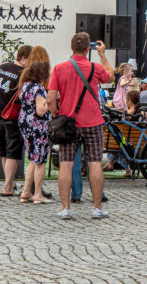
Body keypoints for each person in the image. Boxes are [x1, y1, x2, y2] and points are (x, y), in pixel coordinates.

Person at [47, 33, 113, 220]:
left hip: (69, 123)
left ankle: (65, 208)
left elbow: (51, 99)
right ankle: (97, 208)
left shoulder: (60, 68)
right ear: (87, 49)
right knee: (95, 164)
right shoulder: (94, 67)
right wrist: (102, 55)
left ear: (71, 47)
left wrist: (56, 116)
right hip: (93, 122)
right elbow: (110, 77)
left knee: (66, 165)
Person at [0, 44, 33, 197]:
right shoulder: (24, 74)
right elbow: (23, 96)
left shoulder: (2, 67)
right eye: (31, 59)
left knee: (4, 152)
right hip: (11, 117)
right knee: (12, 152)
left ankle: (10, 182)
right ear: (25, 57)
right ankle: (7, 187)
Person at [17, 60, 52, 205]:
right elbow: (40, 110)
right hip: (38, 127)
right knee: (40, 160)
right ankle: (38, 193)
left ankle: (26, 192)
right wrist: (49, 101)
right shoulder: (38, 89)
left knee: (32, 158)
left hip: (25, 123)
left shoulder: (25, 85)